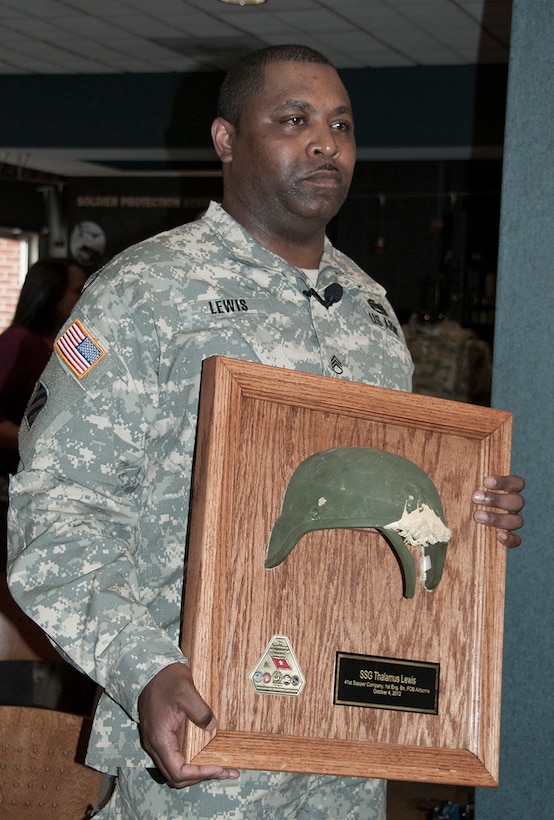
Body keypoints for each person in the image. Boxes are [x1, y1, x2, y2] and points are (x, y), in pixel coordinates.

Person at [6, 46, 524, 819]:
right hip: (200, 741)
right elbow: (55, 512)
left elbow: (380, 499)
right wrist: (144, 669)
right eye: (294, 120)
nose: (327, 142)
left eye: (342, 124)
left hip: (347, 737)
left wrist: (469, 513)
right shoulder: (146, 293)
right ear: (225, 139)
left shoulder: (371, 313)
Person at [0, 256, 86, 570]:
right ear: (51, 296)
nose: (84, 297)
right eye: (77, 291)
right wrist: (35, 439)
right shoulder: (19, 343)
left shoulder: (70, 344)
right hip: (10, 496)